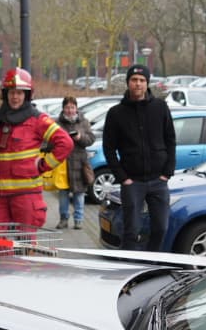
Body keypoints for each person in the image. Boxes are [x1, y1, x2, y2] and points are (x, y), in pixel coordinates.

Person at [0, 67, 72, 233]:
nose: (15, 97)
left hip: (26, 195)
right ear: (5, 94)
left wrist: (42, 166)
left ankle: (20, 259)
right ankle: (6, 260)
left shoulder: (38, 120)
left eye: (19, 93)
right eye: (11, 92)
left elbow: (65, 143)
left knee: (25, 245)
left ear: (27, 95)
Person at [101, 65, 176, 250]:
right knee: (131, 231)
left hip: (158, 180)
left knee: (160, 228)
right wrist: (122, 177)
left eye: (142, 80)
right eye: (134, 80)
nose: (138, 84)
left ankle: (151, 263)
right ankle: (129, 267)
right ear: (128, 83)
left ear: (147, 83)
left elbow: (170, 140)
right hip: (132, 182)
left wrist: (167, 172)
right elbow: (108, 148)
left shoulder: (160, 107)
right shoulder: (116, 113)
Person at [53, 96, 95, 230]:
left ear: (76, 108)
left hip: (79, 163)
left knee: (79, 193)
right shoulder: (57, 123)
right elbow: (50, 141)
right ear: (63, 108)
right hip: (63, 164)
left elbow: (91, 139)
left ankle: (78, 220)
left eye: (72, 107)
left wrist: (80, 137)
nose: (70, 110)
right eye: (67, 107)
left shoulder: (84, 122)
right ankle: (63, 219)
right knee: (63, 194)